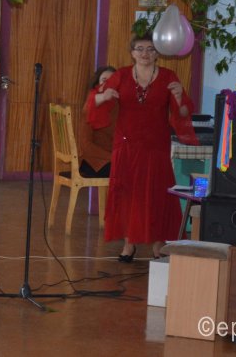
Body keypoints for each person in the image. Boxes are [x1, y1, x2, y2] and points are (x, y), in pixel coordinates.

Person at [89, 34, 196, 262]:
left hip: (156, 146)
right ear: (132, 53)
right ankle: (129, 244)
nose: (145, 53)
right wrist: (103, 96)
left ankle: (159, 244)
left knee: (157, 194)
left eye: (150, 49)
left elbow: (184, 113)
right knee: (128, 195)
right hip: (126, 145)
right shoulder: (121, 75)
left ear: (157, 53)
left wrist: (179, 99)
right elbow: (93, 104)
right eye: (140, 49)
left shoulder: (168, 76)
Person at [78, 66, 116, 178]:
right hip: (93, 162)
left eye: (112, 81)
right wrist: (113, 157)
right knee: (127, 170)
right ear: (97, 84)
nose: (108, 84)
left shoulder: (117, 105)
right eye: (104, 80)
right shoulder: (91, 105)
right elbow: (85, 145)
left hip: (112, 157)